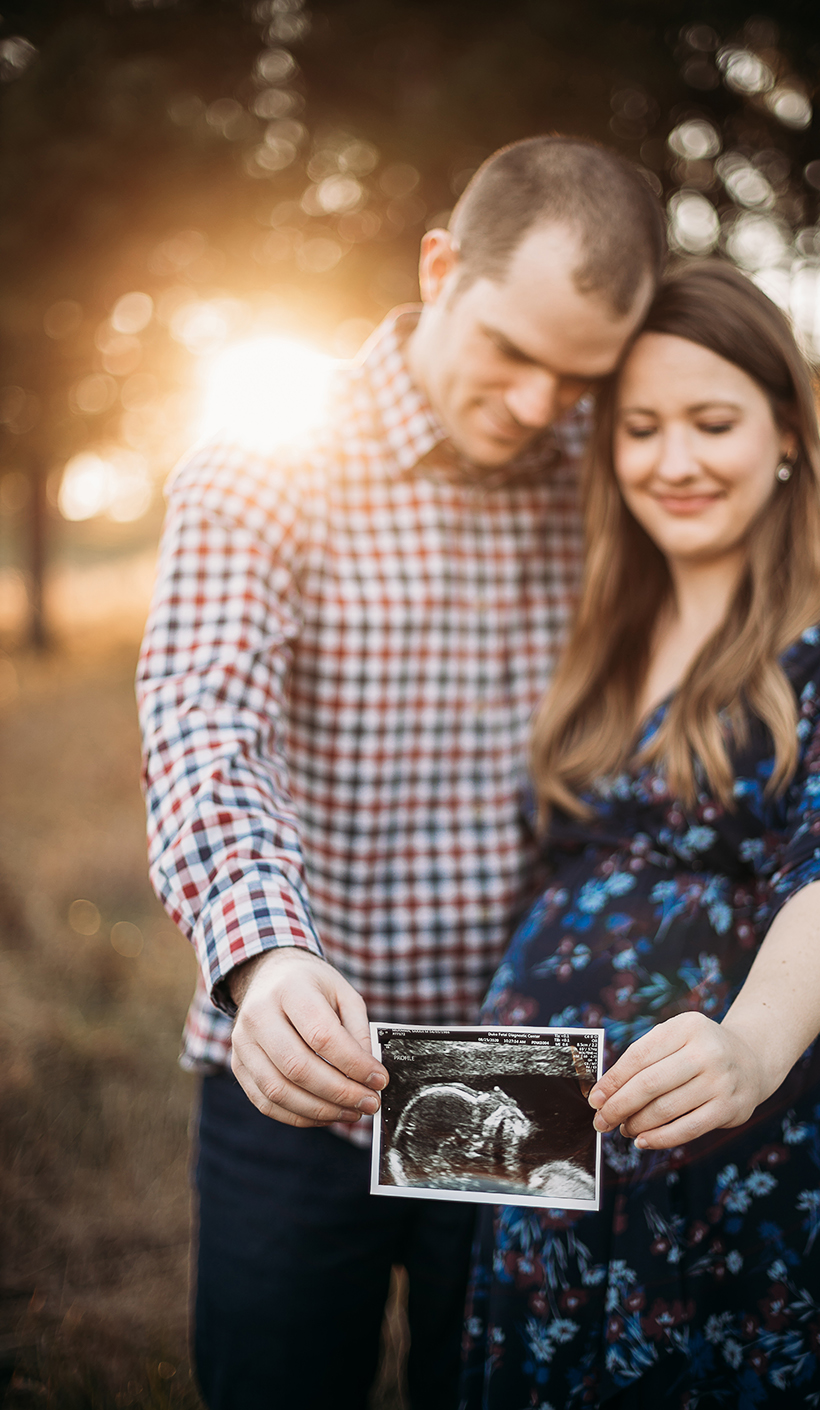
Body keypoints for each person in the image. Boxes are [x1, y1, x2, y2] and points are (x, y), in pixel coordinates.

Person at [136, 136, 665, 1410]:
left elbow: (729, 692)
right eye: (511, 351)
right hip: (305, 1058)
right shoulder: (264, 459)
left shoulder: (612, 470)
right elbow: (205, 723)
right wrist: (262, 954)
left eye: (577, 373)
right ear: (440, 267)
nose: (542, 403)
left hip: (526, 1071)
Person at [460, 262, 820, 1409]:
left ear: (786, 426)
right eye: (640, 429)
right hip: (547, 1161)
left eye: (711, 422)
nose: (673, 461)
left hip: (767, 1159)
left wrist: (753, 1043)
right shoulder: (589, 633)